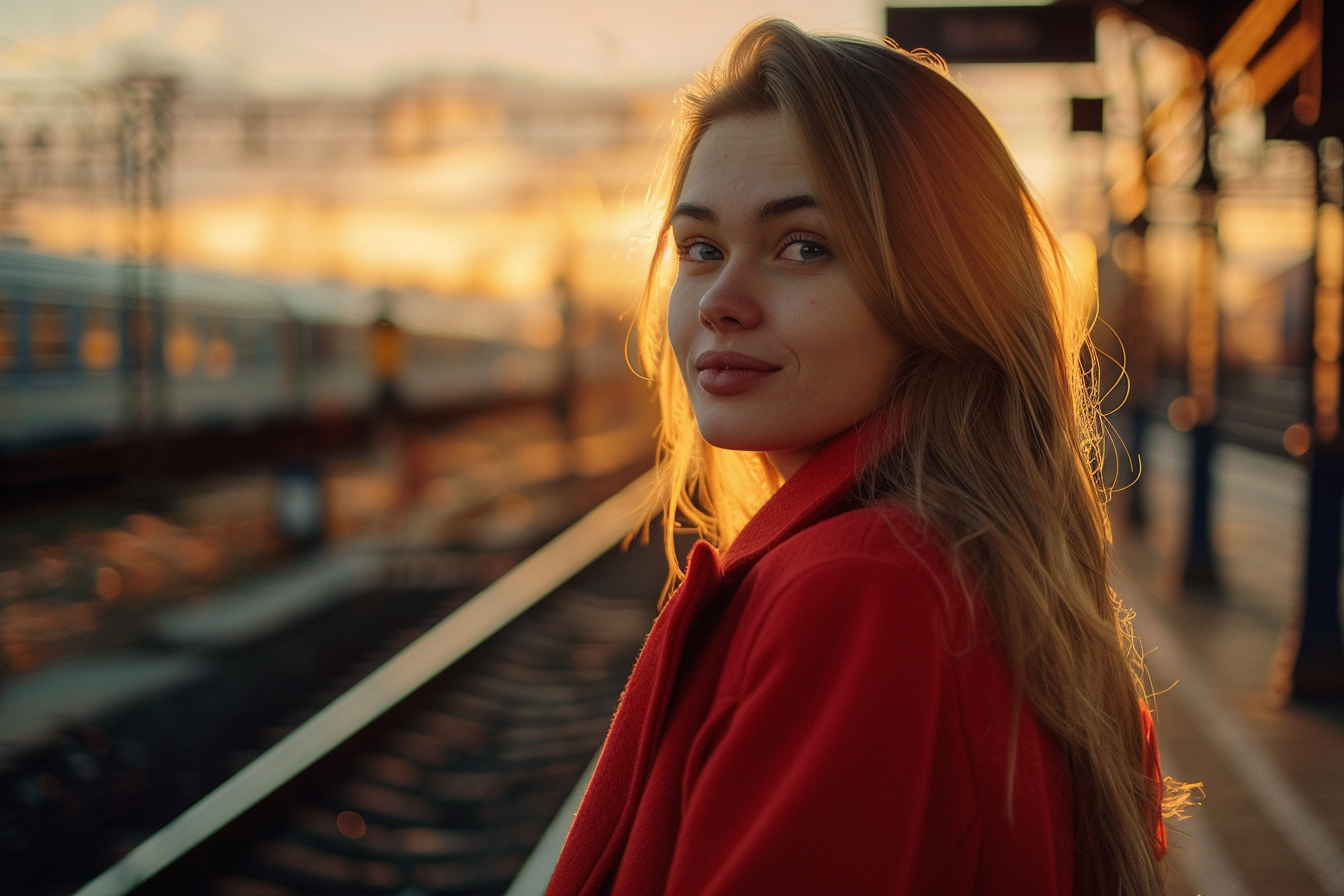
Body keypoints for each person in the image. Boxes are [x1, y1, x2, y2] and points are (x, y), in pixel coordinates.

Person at [547, 19, 1188, 896]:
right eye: (701, 249)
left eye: (802, 246)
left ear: (942, 293)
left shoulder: (861, 592)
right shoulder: (961, 565)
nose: (722, 300)